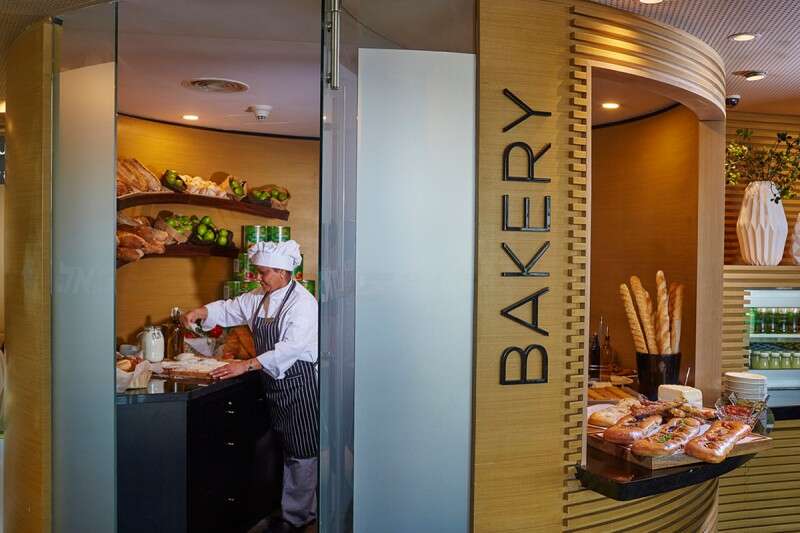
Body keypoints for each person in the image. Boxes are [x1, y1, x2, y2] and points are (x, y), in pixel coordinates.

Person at [181, 240, 318, 533]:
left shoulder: (303, 304)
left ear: (283, 272)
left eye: (264, 272)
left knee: (301, 451)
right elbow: (232, 308)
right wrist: (200, 312)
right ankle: (286, 511)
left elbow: (290, 348)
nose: (258, 277)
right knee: (282, 448)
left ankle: (300, 518)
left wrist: (246, 365)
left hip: (299, 382)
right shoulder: (260, 296)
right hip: (273, 383)